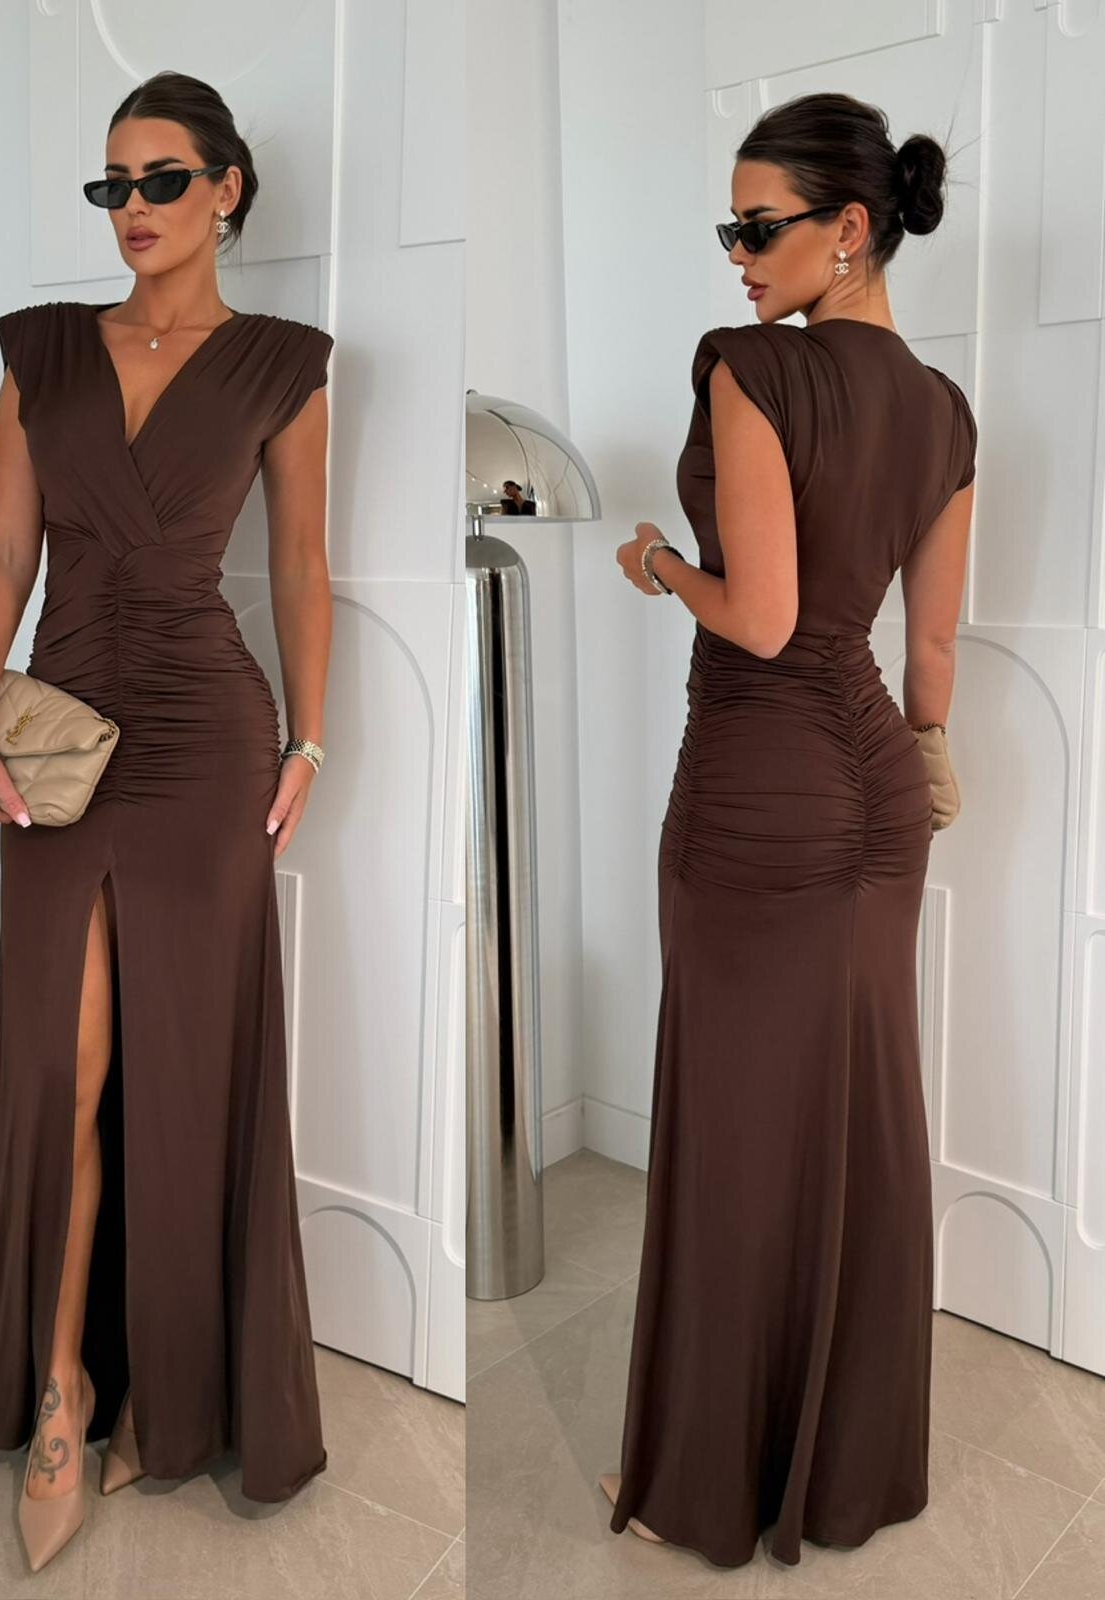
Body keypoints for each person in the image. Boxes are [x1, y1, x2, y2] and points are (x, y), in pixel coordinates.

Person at [0, 70, 335, 1573]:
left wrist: (310, 736)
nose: (134, 210)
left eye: (163, 180)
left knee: (180, 1068)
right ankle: (61, 1385)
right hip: (58, 733)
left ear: (227, 190)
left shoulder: (284, 364)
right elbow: (2, 550)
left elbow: (297, 566)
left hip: (205, 738)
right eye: (114, 185)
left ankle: (170, 1391)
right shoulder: (42, 351)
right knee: (70, 1064)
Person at [598, 90, 977, 1568]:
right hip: (886, 786)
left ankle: (717, 1478)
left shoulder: (752, 368)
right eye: (731, 230)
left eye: (760, 229)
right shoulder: (944, 413)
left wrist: (655, 562)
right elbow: (928, 655)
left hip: (762, 788)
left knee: (741, 1124)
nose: (739, 258)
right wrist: (922, 765)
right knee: (860, 1117)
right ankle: (850, 1468)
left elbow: (758, 618)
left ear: (851, 229)